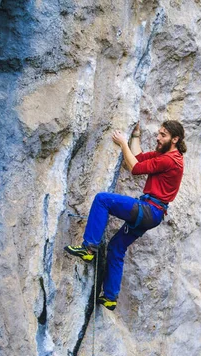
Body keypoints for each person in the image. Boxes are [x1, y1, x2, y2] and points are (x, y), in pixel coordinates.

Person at [65, 120, 186, 311]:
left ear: (175, 139)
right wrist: (135, 135)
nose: (158, 137)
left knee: (103, 200)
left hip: (149, 209)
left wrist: (122, 143)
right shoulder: (169, 156)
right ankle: (110, 297)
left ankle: (88, 249)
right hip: (153, 213)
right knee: (116, 247)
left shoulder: (169, 160)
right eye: (159, 133)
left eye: (163, 135)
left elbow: (135, 168)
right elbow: (137, 157)